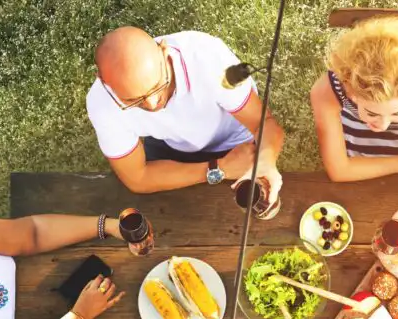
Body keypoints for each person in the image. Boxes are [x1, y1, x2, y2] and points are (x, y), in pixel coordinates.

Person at [88, 27, 285, 199]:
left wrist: (266, 162)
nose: (152, 104)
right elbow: (138, 178)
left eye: (158, 86)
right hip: (171, 145)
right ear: (105, 82)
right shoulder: (102, 103)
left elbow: (264, 124)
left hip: (235, 144)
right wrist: (218, 168)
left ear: (165, 53)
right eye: (133, 100)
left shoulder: (207, 58)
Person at [310, 16, 398, 227]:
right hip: (397, 151)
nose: (383, 126)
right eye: (372, 112)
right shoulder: (327, 90)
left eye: (396, 112)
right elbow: (339, 170)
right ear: (350, 90)